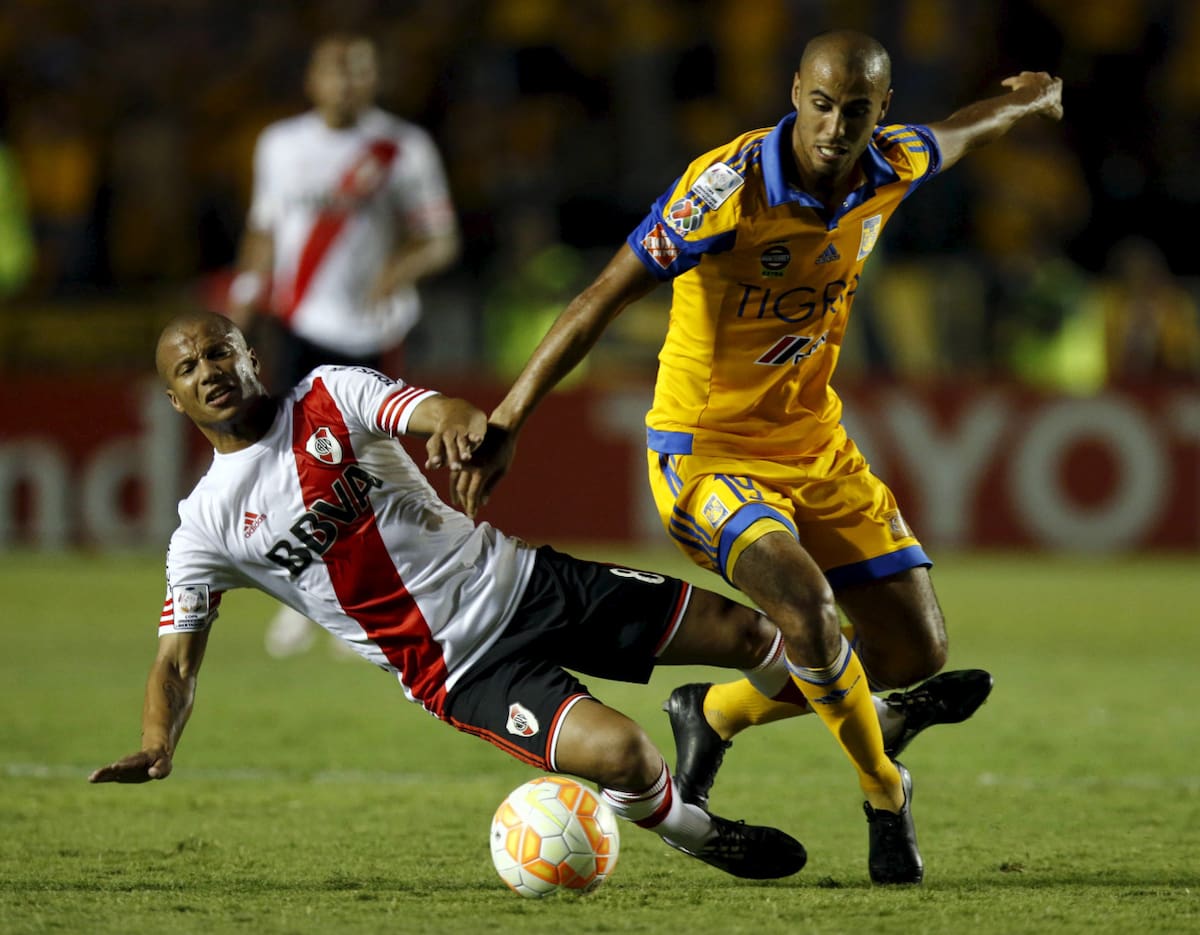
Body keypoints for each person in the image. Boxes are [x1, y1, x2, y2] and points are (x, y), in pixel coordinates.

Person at [454, 30, 1064, 885]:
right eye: (821, 104)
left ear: (880, 111)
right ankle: (886, 791)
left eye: (857, 110)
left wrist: (1031, 98)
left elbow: (966, 129)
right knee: (809, 611)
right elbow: (601, 295)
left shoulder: (892, 163)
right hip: (706, 454)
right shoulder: (725, 188)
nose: (835, 126)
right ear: (795, 93)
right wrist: (513, 413)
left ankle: (713, 711)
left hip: (815, 443)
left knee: (912, 652)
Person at [87, 312, 808, 882]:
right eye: (188, 368)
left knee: (755, 635)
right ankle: (698, 833)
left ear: (249, 355)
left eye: (218, 352)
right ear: (174, 398)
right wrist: (158, 740)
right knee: (625, 754)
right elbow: (176, 661)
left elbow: (440, 410)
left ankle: (841, 717)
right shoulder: (204, 525)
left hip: (528, 582)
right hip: (463, 672)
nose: (208, 371)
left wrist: (461, 426)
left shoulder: (332, 394)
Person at [225, 32, 461, 658]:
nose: (348, 83)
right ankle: (307, 599)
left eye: (361, 71)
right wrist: (243, 301)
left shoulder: (401, 147)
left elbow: (440, 239)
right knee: (292, 468)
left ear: (373, 79)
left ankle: (391, 595)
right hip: (299, 324)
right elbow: (264, 229)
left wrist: (399, 270)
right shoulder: (281, 145)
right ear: (313, 79)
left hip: (374, 330)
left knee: (374, 468)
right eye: (337, 71)